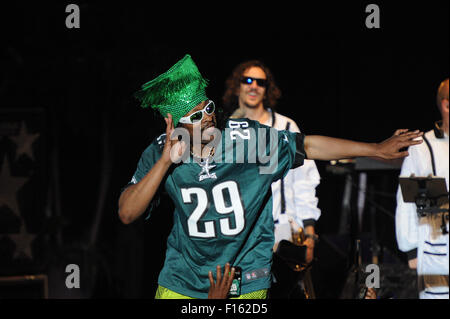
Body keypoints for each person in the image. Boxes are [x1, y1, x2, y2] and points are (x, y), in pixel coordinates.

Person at [118, 54, 423, 299]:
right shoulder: (160, 153)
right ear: (174, 125)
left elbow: (309, 145)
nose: (208, 117)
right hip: (183, 279)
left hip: (245, 274)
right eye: (196, 116)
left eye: (208, 107)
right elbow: (127, 213)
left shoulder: (246, 141)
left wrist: (376, 149)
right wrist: (164, 163)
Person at [223, 60, 320, 298]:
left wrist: (309, 233)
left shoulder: (287, 126)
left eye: (260, 82)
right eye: (247, 80)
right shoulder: (225, 130)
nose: (253, 86)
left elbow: (305, 183)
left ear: (268, 89)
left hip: (283, 233)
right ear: (237, 86)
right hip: (239, 237)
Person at [395, 78, 449, 299]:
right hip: (436, 254)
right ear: (446, 105)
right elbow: (407, 201)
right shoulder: (423, 147)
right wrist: (410, 250)